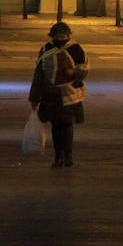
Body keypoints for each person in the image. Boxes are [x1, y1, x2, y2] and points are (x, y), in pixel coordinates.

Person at [28, 21, 87, 167]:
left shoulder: (76, 49)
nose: (61, 37)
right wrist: (35, 96)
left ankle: (66, 154)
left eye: (63, 34)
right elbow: (39, 74)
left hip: (69, 94)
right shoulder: (46, 49)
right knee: (57, 125)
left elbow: (84, 69)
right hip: (51, 94)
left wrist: (73, 73)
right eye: (58, 34)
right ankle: (60, 155)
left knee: (66, 125)